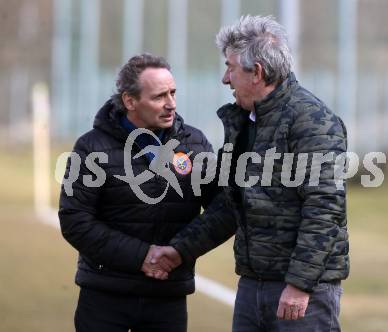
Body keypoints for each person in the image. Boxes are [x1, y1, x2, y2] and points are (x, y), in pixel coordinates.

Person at [147, 15, 349, 332]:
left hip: (300, 292)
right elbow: (232, 204)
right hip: (251, 286)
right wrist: (180, 249)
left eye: (230, 67)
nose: (225, 79)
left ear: (256, 72)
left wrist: (299, 284)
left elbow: (324, 210)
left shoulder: (313, 121)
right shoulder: (243, 122)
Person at [58, 53, 216, 332]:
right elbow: (74, 219)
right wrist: (141, 256)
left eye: (173, 92)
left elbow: (221, 211)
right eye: (159, 97)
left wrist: (179, 252)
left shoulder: (195, 144)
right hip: (104, 296)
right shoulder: (91, 148)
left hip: (168, 298)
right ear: (130, 101)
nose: (171, 104)